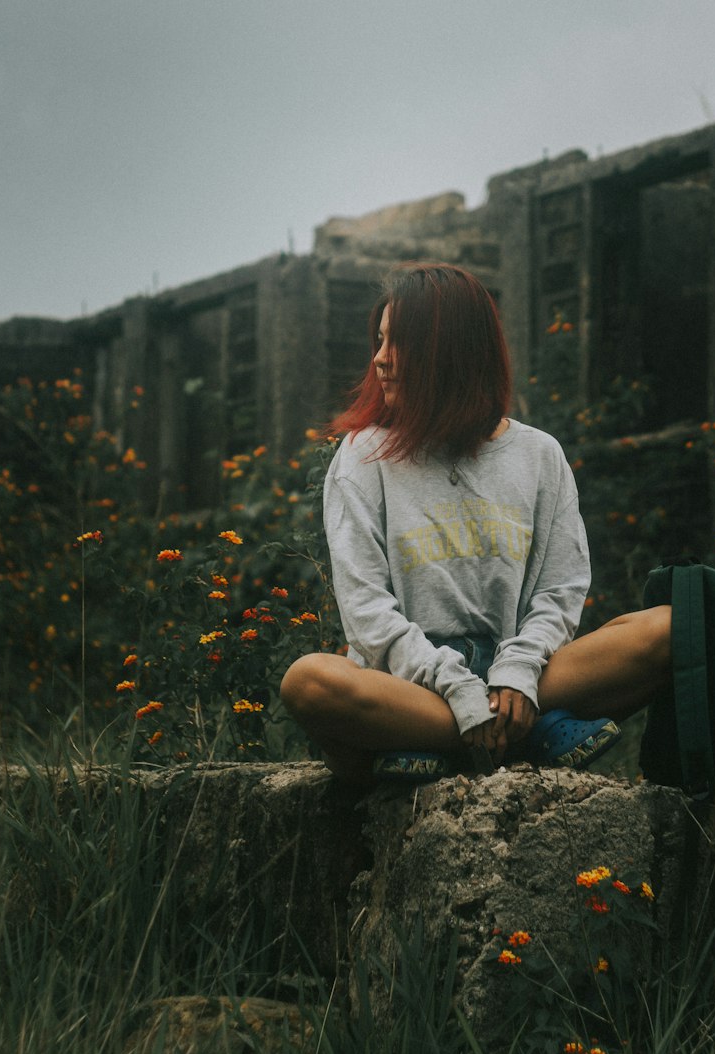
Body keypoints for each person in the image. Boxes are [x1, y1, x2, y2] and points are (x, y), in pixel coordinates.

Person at [281, 263, 671, 782]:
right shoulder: (362, 456)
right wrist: (456, 689)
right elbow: (366, 612)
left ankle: (438, 743)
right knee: (309, 681)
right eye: (378, 341)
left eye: (398, 343)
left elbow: (560, 590)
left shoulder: (539, 455)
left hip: (522, 678)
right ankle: (507, 737)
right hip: (408, 685)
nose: (378, 360)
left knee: (668, 629)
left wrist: (519, 671)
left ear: (451, 351)